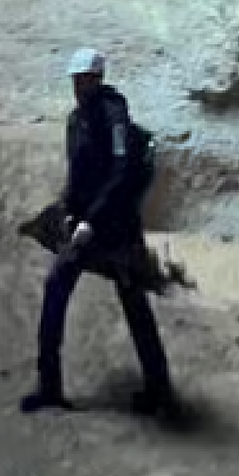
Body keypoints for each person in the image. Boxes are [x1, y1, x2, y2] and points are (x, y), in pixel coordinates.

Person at [21, 46, 175, 417]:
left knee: (134, 302)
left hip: (116, 226)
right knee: (56, 289)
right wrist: (71, 215)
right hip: (85, 224)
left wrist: (93, 219)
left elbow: (121, 172)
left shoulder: (113, 114)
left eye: (84, 79)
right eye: (75, 79)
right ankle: (49, 385)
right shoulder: (77, 120)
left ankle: (158, 389)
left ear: (97, 78)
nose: (78, 85)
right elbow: (78, 175)